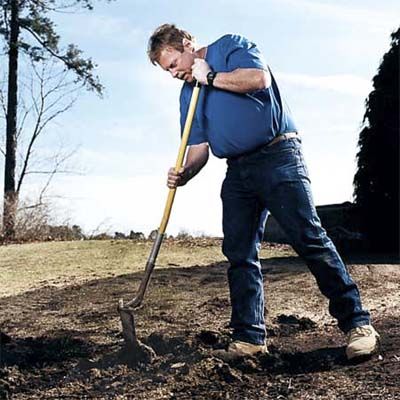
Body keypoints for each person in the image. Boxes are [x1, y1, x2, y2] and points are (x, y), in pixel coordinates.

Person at [147, 24, 379, 361]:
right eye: (166, 70)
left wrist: (210, 77)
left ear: (187, 44)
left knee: (309, 237)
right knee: (239, 253)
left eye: (173, 64)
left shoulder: (230, 47)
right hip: (237, 172)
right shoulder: (188, 93)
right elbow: (198, 147)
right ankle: (249, 337)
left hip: (278, 156)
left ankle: (358, 325)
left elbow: (257, 79)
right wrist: (186, 172)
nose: (173, 74)